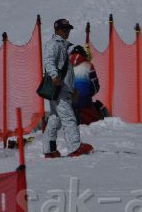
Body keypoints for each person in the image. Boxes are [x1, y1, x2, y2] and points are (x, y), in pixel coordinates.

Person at [42, 18, 93, 158]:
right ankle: (75, 147)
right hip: (58, 87)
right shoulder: (53, 44)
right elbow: (49, 61)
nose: (67, 31)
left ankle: (49, 150)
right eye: (64, 29)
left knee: (55, 119)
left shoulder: (62, 45)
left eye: (68, 29)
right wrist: (54, 76)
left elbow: (65, 66)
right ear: (57, 30)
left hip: (62, 88)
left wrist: (71, 88)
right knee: (69, 118)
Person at [70, 45, 105, 125]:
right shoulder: (88, 65)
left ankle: (76, 117)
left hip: (69, 99)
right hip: (85, 99)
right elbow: (95, 85)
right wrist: (90, 93)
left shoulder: (65, 66)